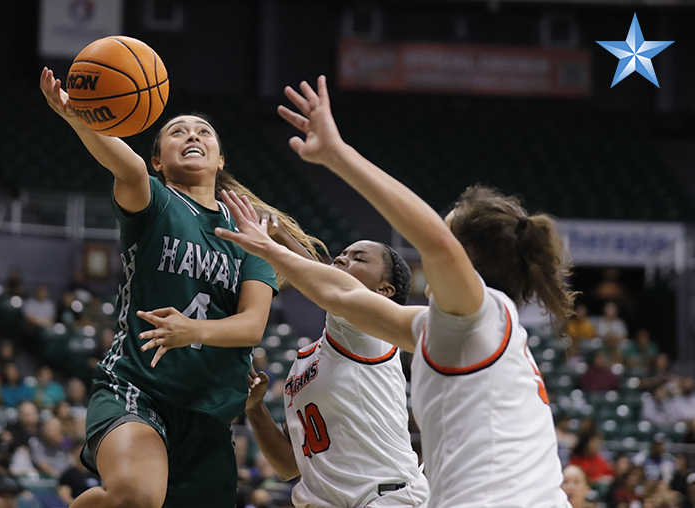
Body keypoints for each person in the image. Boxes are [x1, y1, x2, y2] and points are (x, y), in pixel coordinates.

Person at [214, 76, 574, 506]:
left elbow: (429, 248)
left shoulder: (481, 315)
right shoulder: (436, 327)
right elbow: (343, 297)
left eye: (446, 221)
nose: (435, 228)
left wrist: (338, 154)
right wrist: (270, 249)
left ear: (463, 252)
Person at [40, 67, 320, 508]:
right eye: (177, 132)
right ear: (158, 161)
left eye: (204, 132)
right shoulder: (155, 201)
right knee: (135, 496)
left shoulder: (248, 236)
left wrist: (192, 330)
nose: (192, 135)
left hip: (209, 415)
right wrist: (79, 117)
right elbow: (126, 166)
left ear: (220, 159)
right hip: (137, 388)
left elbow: (251, 326)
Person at [245, 239, 430, 507]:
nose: (342, 259)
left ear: (384, 290)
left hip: (384, 498)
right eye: (341, 254)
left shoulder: (369, 334)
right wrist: (255, 407)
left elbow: (327, 286)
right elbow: (288, 466)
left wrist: (279, 234)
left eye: (359, 258)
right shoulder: (303, 362)